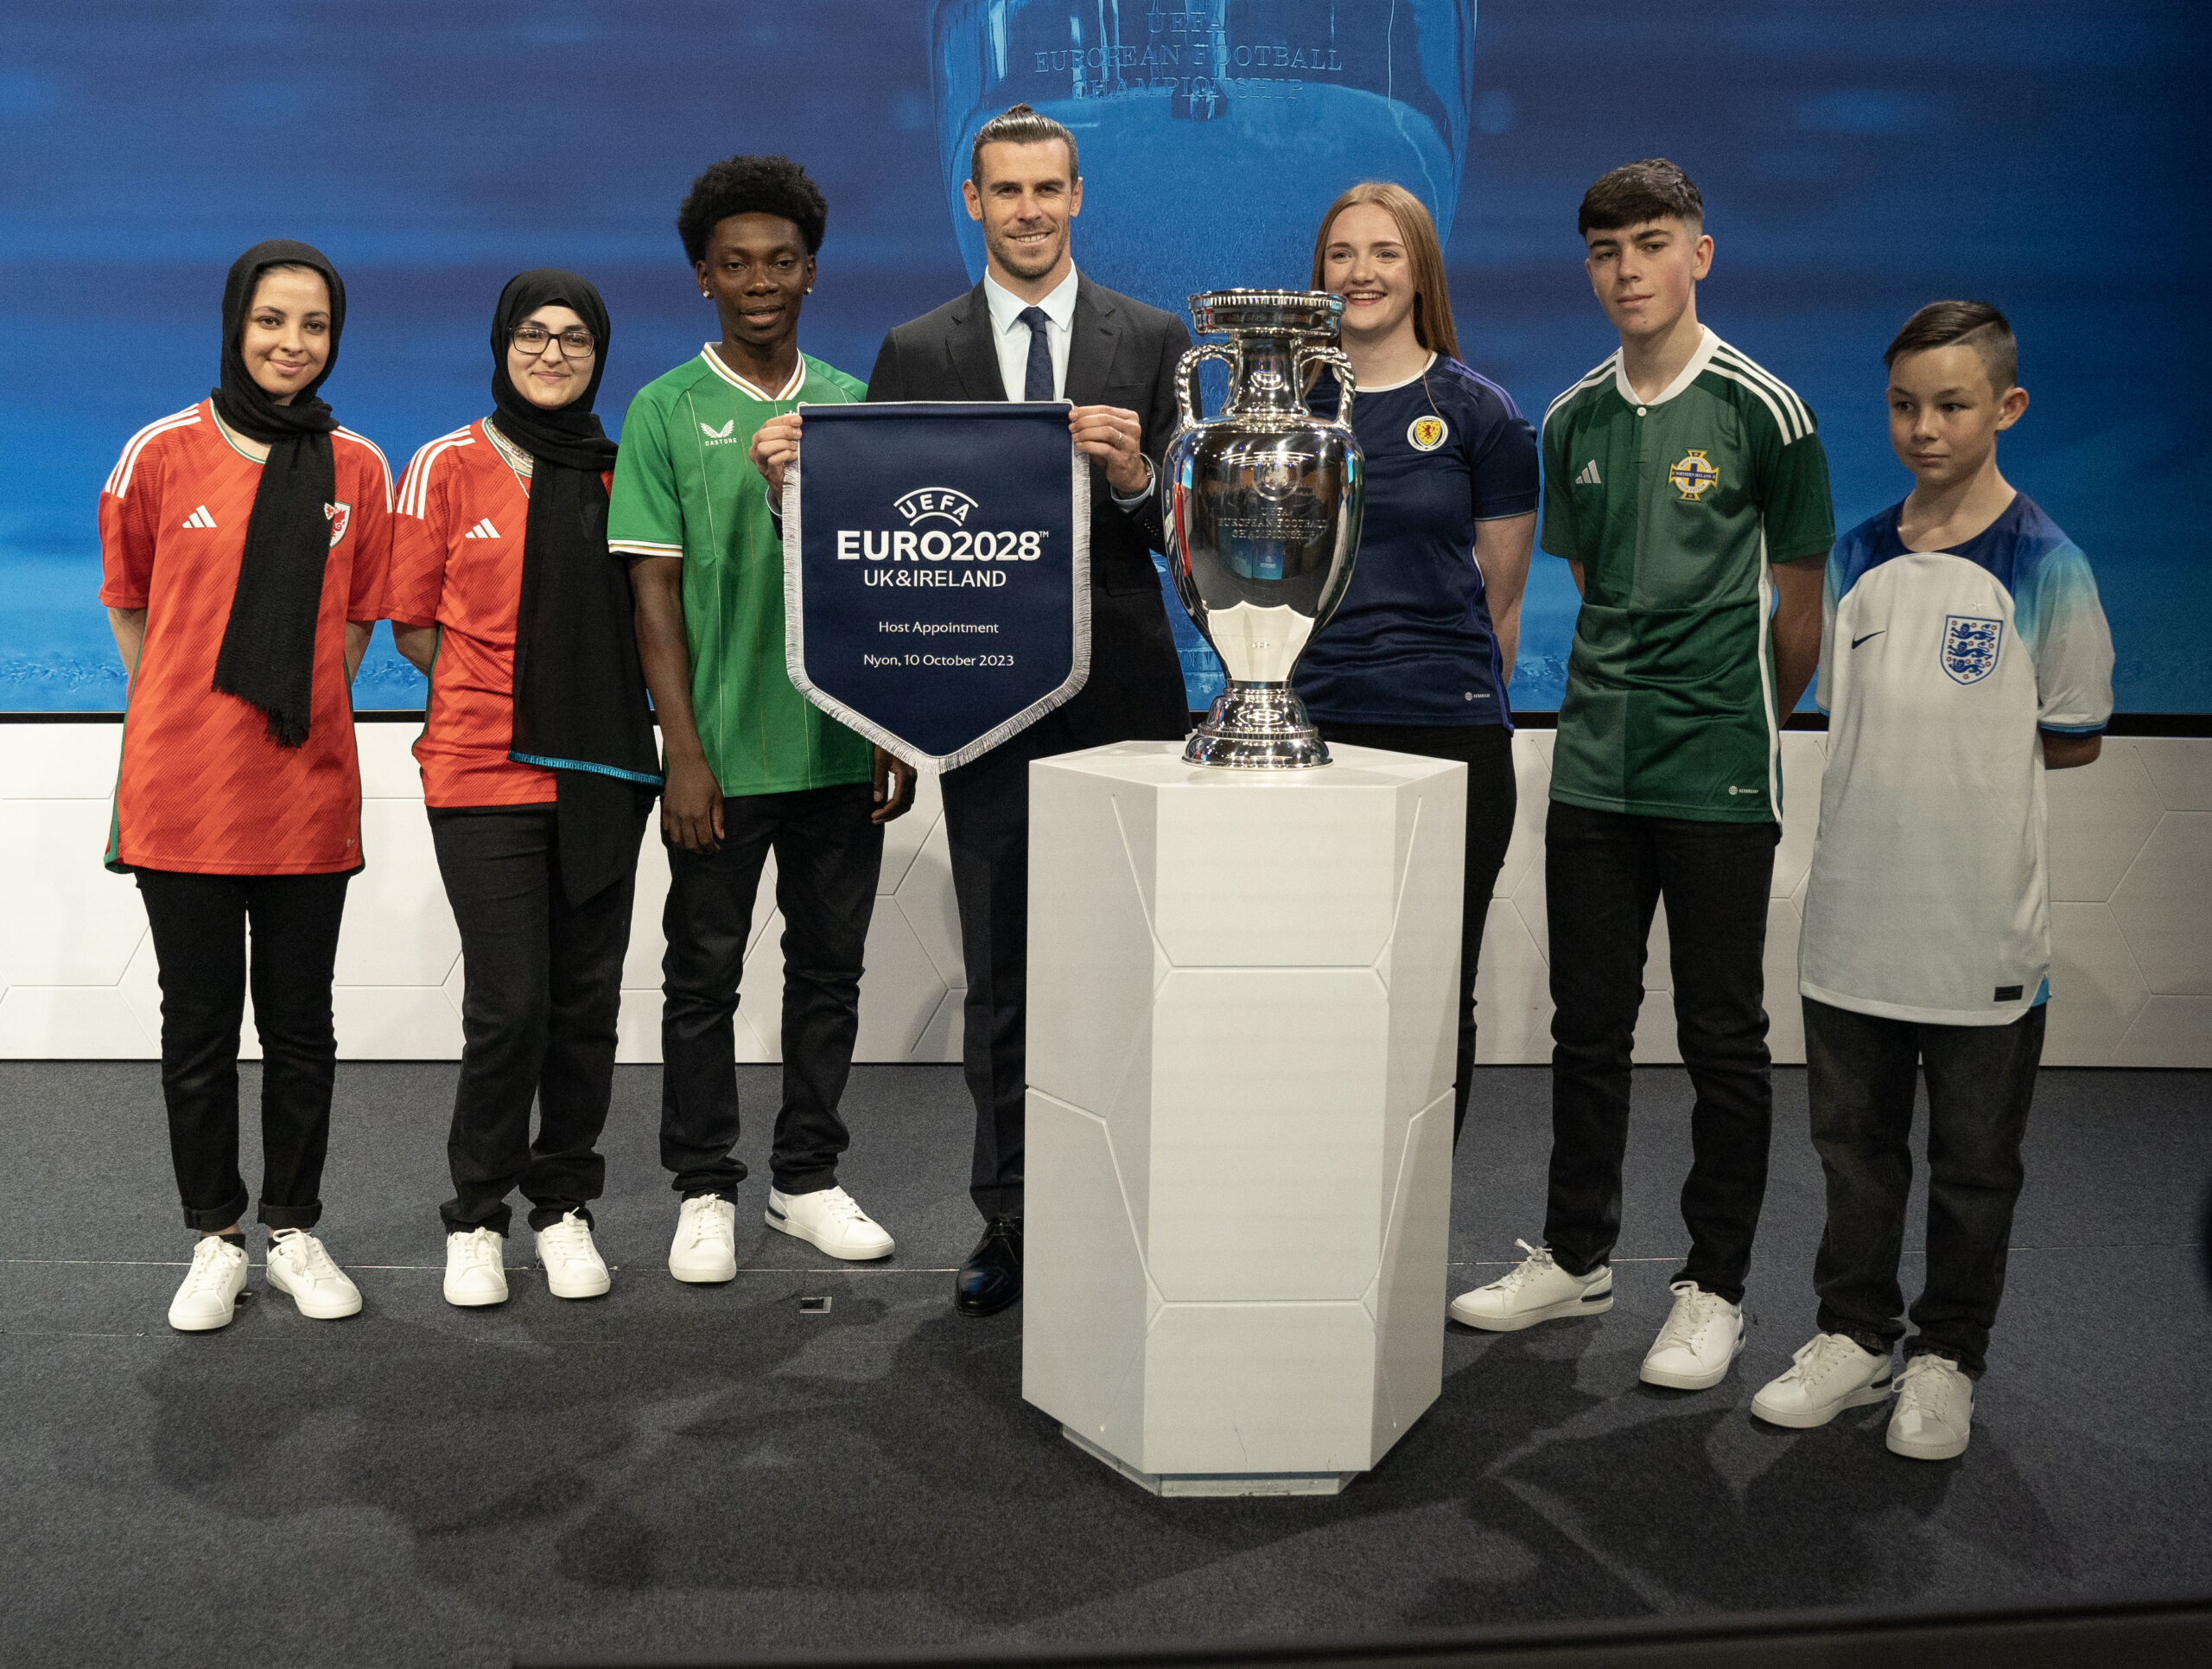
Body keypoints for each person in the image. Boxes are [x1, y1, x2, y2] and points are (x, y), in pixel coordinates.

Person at [754, 105, 1192, 1317]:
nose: (1029, 210)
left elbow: (1191, 540)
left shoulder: (1155, 340)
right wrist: (792, 492)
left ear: (1078, 195)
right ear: (973, 201)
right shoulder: (915, 350)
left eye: (1048, 188)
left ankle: (1133, 1200)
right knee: (1002, 971)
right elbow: (874, 535)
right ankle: (1012, 1213)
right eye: (1007, 190)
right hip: (980, 701)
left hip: (1125, 701)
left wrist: (1136, 475)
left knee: (1130, 959)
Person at [1451, 161, 1834, 1394]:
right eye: (1607, 250)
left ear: (1698, 255)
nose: (1629, 269)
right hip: (1593, 766)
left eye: (1652, 243)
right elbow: (1590, 584)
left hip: (1717, 766)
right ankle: (1576, 1254)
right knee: (1587, 1026)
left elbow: (1800, 611)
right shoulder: (1571, 418)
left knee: (1723, 1035)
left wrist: (1741, 720)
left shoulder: (1767, 411)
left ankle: (1714, 1285)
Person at [1751, 302, 2112, 1459]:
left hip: (1980, 939)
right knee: (1853, 1155)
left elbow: (2069, 736)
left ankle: (1947, 1356)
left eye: (1952, 404)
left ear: (2007, 407)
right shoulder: (1854, 556)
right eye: (1905, 404)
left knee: (1974, 1169)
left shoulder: (2048, 565)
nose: (1925, 427)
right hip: (1852, 926)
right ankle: (1853, 1334)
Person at [610, 156, 912, 1286]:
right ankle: (704, 1187)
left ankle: (806, 1179)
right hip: (721, 762)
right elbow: (652, 595)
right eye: (736, 264)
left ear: (811, 272)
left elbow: (888, 584)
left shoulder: (852, 405)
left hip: (839, 749)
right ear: (704, 277)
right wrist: (681, 751)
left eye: (780, 261)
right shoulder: (663, 409)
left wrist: (891, 725)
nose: (760, 281)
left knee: (829, 972)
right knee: (703, 979)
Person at [98, 239, 392, 1332]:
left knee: (302, 1024)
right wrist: (185, 709)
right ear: (236, 324)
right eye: (272, 320)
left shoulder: (359, 467)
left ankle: (296, 1228)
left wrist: (291, 708)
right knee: (199, 1028)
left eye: (314, 325)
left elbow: (355, 622)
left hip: (306, 793)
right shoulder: (159, 452)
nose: (291, 343)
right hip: (181, 795)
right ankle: (215, 1236)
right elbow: (130, 603)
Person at [386, 271, 659, 1308]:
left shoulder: (622, 470)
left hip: (603, 775)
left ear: (599, 352)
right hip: (482, 772)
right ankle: (475, 1215)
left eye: (574, 338)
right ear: (502, 344)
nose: (553, 353)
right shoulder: (444, 465)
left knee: (586, 1005)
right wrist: (520, 697)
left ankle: (563, 1204)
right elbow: (415, 627)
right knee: (510, 1007)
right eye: (533, 335)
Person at [1295, 181, 1538, 1143]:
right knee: (1316, 979)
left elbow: (1501, 606)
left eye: (1384, 252)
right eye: (1342, 253)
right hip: (1315, 733)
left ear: (1420, 270)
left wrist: (1455, 701)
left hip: (1449, 733)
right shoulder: (1288, 411)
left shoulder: (1481, 414)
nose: (1360, 273)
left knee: (1434, 990)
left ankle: (1415, 1197)